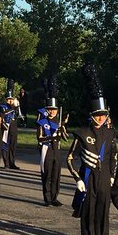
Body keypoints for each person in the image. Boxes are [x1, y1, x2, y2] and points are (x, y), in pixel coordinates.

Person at [66, 65, 118, 235]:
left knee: (103, 217)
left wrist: (112, 174)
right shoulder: (82, 133)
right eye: (97, 115)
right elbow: (70, 158)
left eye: (103, 115)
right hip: (87, 182)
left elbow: (114, 155)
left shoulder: (110, 133)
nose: (100, 118)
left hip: (104, 180)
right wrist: (77, 178)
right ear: (91, 114)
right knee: (88, 218)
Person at [36, 76, 66, 206]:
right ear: (47, 110)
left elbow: (64, 137)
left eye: (54, 110)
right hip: (47, 149)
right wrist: (52, 137)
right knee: (47, 174)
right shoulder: (42, 122)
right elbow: (39, 138)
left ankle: (54, 197)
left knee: (56, 175)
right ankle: (47, 197)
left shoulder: (59, 122)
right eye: (50, 110)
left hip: (57, 150)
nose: (52, 112)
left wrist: (62, 130)